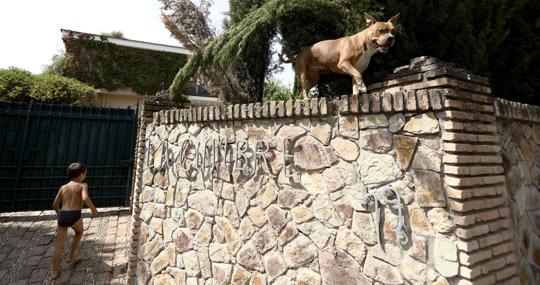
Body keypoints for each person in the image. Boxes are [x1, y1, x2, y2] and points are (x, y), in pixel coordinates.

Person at [51, 162, 98, 279]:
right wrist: (93, 210)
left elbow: (55, 204)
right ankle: (71, 255)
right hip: (75, 215)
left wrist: (59, 214)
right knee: (79, 232)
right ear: (81, 174)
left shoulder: (63, 187)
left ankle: (54, 272)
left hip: (63, 215)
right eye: (85, 173)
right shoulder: (83, 185)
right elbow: (85, 197)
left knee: (58, 246)